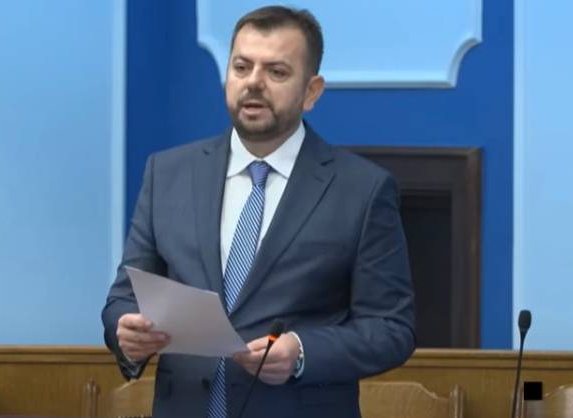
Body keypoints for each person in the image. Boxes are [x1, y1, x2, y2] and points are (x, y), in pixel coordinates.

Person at [102, 5, 415, 418]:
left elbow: (391, 328)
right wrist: (127, 332)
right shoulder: (168, 173)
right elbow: (125, 296)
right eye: (241, 67)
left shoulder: (362, 190)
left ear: (311, 91)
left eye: (276, 72)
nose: (253, 82)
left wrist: (301, 352)